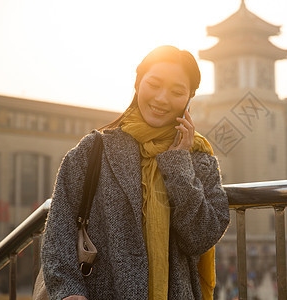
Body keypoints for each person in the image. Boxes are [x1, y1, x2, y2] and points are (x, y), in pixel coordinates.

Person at [41, 45, 230, 300]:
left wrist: (178, 164)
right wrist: (68, 291)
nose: (162, 99)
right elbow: (58, 229)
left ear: (189, 99)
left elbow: (199, 237)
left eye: (177, 91)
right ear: (138, 83)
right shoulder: (93, 150)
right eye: (154, 84)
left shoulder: (199, 158)